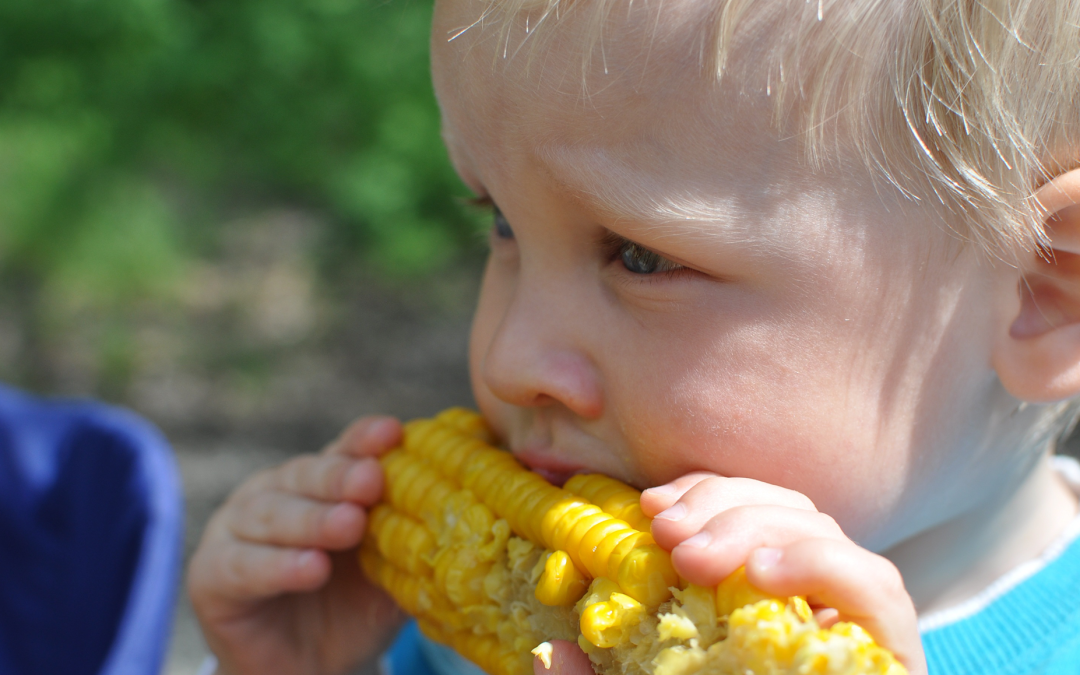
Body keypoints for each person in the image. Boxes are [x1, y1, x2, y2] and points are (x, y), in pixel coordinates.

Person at [186, 1, 1080, 673]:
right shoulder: (470, 635)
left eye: (642, 258)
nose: (507, 358)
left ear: (1045, 293)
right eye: (500, 223)